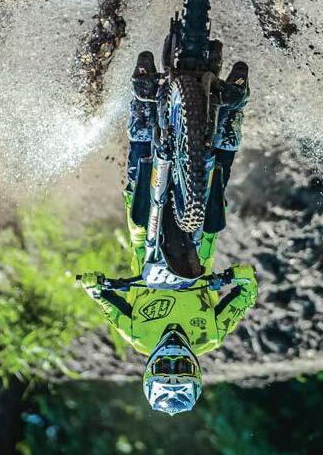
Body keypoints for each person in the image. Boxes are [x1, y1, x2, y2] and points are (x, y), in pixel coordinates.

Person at [80, 50, 257, 416]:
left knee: (137, 185)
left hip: (148, 246)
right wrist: (232, 279)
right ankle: (232, 111)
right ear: (196, 369)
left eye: (165, 367)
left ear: (150, 368)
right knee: (217, 183)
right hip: (198, 245)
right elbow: (247, 293)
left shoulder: (136, 334)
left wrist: (95, 286)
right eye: (182, 368)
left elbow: (103, 300)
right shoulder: (211, 335)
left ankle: (143, 102)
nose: (173, 358)